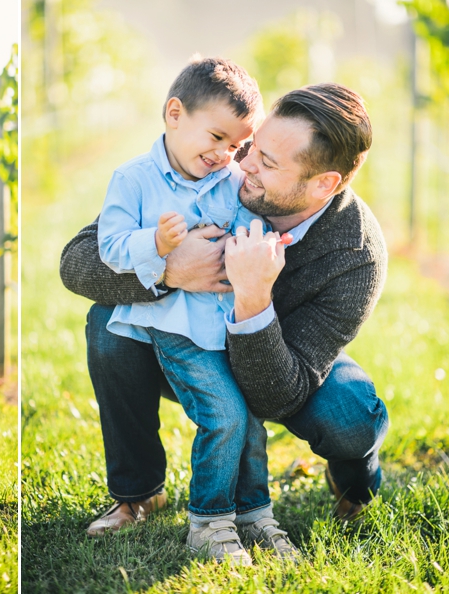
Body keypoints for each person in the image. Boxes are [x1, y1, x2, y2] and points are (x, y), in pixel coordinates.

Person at [61, 82, 389, 551]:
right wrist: (169, 272)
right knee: (108, 325)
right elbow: (77, 260)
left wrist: (254, 300)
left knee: (350, 418)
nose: (243, 161)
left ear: (323, 183)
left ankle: (356, 485)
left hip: (288, 361)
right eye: (252, 147)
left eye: (267, 163)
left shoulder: (357, 256)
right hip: (190, 341)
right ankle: (138, 494)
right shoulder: (212, 172)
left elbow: (279, 396)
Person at [95, 57, 295, 564]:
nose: (224, 154)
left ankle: (254, 513)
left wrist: (266, 244)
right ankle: (208, 522)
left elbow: (251, 229)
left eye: (236, 145)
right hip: (178, 328)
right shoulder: (135, 179)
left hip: (228, 326)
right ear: (174, 113)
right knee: (223, 415)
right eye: (217, 137)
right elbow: (110, 246)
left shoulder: (231, 181)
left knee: (248, 420)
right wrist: (156, 244)